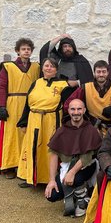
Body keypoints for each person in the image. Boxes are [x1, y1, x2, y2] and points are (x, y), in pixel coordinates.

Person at [16, 58, 71, 187]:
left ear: (56, 69)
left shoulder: (63, 84)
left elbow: (68, 106)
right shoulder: (36, 83)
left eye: (52, 66)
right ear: (42, 68)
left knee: (49, 149)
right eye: (46, 65)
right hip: (34, 119)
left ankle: (49, 179)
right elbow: (27, 104)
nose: (48, 68)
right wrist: (23, 121)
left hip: (51, 120)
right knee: (32, 147)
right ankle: (30, 177)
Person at [45, 99, 102, 217]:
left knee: (73, 180)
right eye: (73, 109)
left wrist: (71, 172)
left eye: (79, 109)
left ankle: (82, 198)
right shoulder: (62, 131)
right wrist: (51, 180)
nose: (76, 112)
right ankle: (77, 195)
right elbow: (54, 155)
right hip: (66, 166)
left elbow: (87, 156)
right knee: (52, 195)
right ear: (68, 111)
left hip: (86, 166)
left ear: (84, 110)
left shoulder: (91, 130)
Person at [0, 38, 40, 179]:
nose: (26, 51)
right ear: (18, 51)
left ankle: (25, 165)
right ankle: (9, 165)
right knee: (12, 134)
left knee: (26, 134)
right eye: (23, 49)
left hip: (30, 104)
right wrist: (1, 106)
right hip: (13, 104)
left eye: (28, 49)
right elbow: (2, 87)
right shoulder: (8, 66)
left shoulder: (36, 67)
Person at [64, 60, 111, 136]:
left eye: (103, 72)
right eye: (98, 72)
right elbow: (68, 105)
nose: (101, 74)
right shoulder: (85, 87)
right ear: (94, 73)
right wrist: (82, 115)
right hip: (92, 126)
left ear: (108, 73)